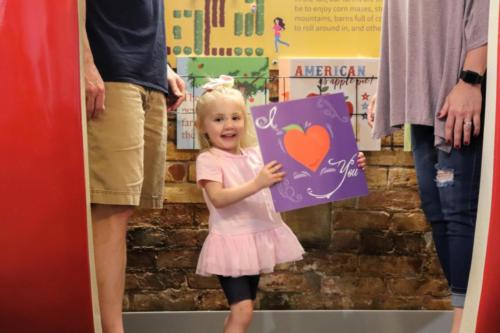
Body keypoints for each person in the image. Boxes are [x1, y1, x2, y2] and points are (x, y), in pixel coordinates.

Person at [194, 76, 367, 333]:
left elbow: (303, 164)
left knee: (244, 310)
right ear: (202, 127)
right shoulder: (209, 159)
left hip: (254, 239)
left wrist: (349, 162)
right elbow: (218, 198)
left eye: (235, 117)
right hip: (231, 244)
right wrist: (257, 183)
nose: (229, 125)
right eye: (218, 119)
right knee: (243, 311)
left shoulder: (255, 153)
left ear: (245, 120)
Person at [368, 1, 489, 332]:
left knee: (457, 212)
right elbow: (405, 21)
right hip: (421, 95)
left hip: (463, 86)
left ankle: (466, 321)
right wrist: (389, 84)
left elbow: (488, 10)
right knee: (435, 210)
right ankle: (469, 312)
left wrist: (471, 79)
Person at [82, 1, 186, 332]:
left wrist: (163, 66)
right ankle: (109, 328)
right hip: (109, 67)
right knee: (110, 207)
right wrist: (83, 60)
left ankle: (109, 324)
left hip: (148, 73)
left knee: (123, 209)